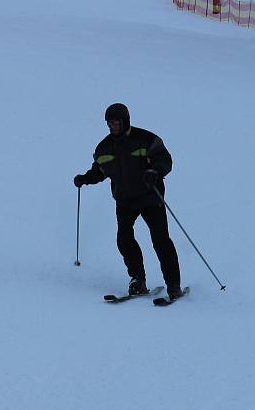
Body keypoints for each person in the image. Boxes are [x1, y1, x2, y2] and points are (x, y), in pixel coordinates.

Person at [74, 103, 183, 299]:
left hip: (150, 197)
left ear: (125, 121)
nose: (113, 127)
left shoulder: (146, 140)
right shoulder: (104, 148)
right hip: (125, 201)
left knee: (160, 240)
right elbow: (99, 171)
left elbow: (165, 159)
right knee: (124, 240)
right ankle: (137, 280)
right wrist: (85, 179)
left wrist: (155, 171)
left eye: (116, 123)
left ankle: (173, 285)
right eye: (109, 124)